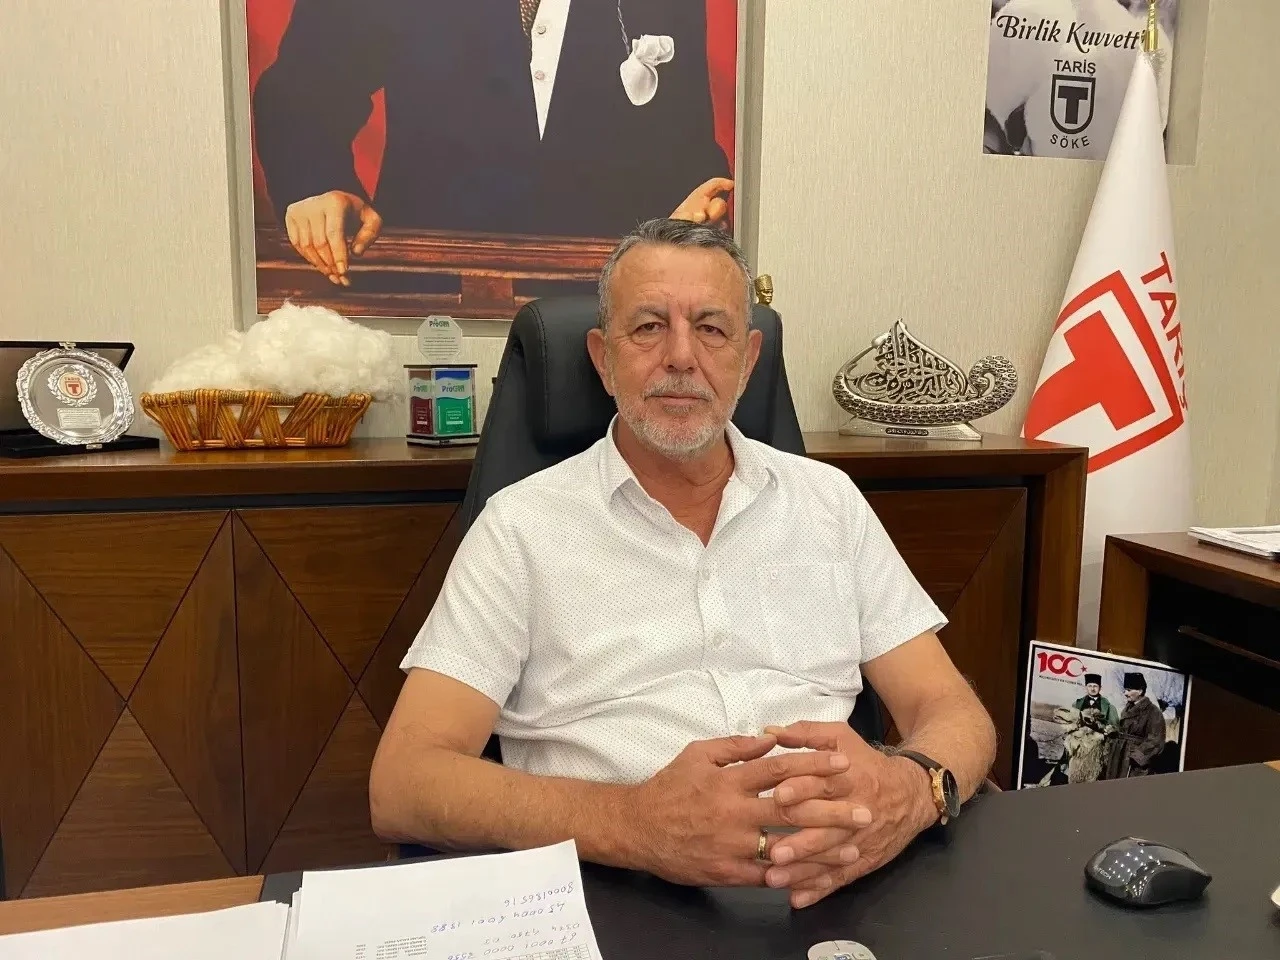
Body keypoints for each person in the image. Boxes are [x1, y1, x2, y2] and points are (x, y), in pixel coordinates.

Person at [369, 218, 998, 910]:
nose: (680, 356)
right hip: (619, 893)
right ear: (603, 359)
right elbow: (404, 782)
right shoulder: (521, 528)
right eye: (647, 328)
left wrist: (913, 790)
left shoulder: (828, 503)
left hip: (842, 886)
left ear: (748, 360)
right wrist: (633, 824)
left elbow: (950, 709)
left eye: (711, 328)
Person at [253, 0, 734, 287]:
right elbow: (304, 88)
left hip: (607, 295)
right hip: (430, 285)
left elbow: (685, 133)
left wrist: (692, 209)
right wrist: (315, 184)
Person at [1104, 672, 1166, 779]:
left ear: (1140, 691)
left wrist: (1137, 756)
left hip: (1134, 763)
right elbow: (1126, 731)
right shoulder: (1127, 708)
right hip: (1119, 756)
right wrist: (1115, 732)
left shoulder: (1153, 712)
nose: (1125, 693)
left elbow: (1156, 740)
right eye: (1125, 690)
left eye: (1129, 690)